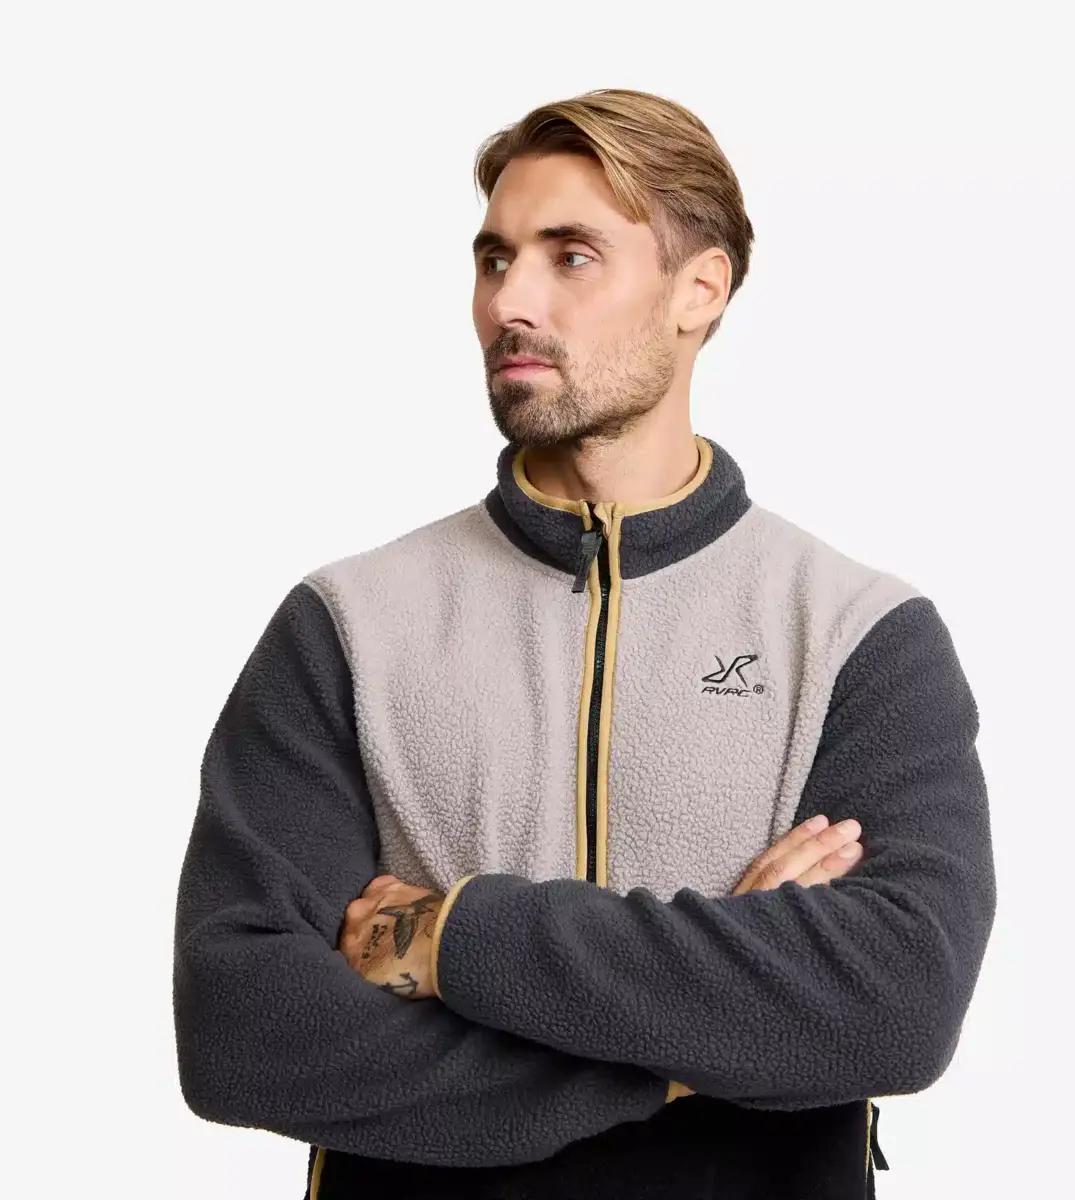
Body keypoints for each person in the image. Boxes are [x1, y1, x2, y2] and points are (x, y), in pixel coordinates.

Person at [172, 87, 996, 1200]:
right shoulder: (347, 626)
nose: (510, 301)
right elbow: (241, 1033)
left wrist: (450, 935)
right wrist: (709, 1047)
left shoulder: (856, 634)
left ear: (700, 290)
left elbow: (898, 1009)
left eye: (571, 257)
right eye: (494, 259)